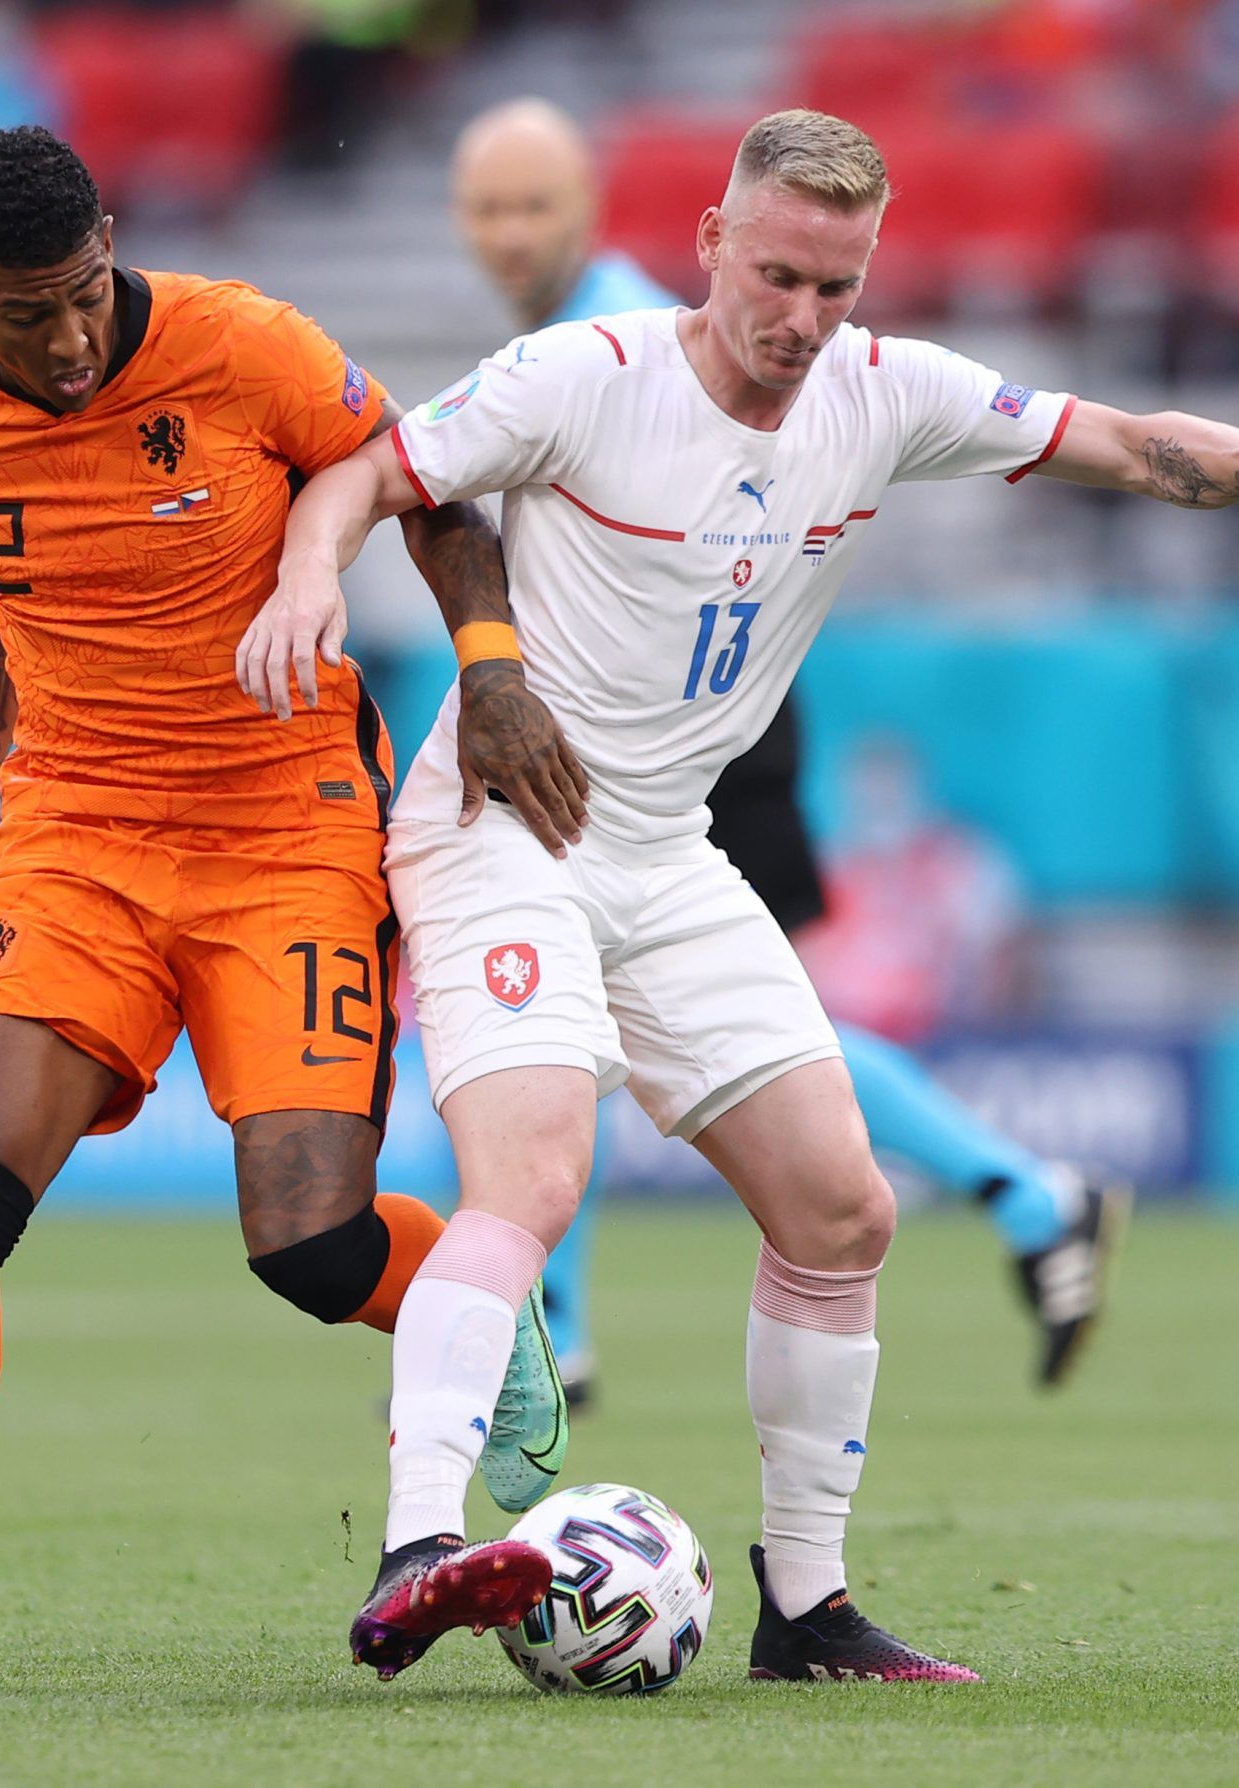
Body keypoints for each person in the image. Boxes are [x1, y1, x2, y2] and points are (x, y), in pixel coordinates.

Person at [247, 107, 1239, 1683]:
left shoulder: (884, 393)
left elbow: (1120, 440)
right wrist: (311, 574)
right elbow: (371, 472)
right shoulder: (584, 375)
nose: (804, 318)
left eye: (837, 286)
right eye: (780, 277)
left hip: (665, 847)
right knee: (530, 1180)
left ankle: (806, 1613)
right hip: (499, 830)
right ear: (712, 244)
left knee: (843, 1209)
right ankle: (418, 1548)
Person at [0, 126, 570, 1699]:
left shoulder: (243, 344)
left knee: (311, 1248)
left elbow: (429, 494)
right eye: (29, 315)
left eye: (87, 293)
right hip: (76, 830)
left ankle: (477, 1299)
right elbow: (0, 573)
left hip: (283, 825)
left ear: (113, 244)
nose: (73, 339)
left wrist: (491, 673)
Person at [446, 96, 1130, 1397]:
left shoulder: (631, 332)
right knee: (641, 1022)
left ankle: (563, 1330)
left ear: (590, 207)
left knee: (688, 1029)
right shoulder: (570, 340)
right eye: (487, 208)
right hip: (650, 723)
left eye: (534, 204)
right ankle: (1028, 1195)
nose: (510, 232)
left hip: (690, 732)